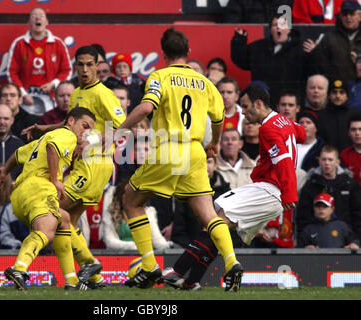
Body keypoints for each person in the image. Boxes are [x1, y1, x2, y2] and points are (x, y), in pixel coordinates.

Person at [111, 28, 243, 291]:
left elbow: (147, 107)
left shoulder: (159, 76)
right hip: (195, 151)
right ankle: (232, 263)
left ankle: (149, 268)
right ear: (188, 52)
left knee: (131, 199)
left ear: (163, 53)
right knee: (208, 214)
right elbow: (219, 118)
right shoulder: (204, 82)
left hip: (168, 148)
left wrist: (121, 128)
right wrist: (214, 143)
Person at [163, 84, 306, 290]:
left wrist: (289, 194)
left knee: (215, 220)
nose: (243, 112)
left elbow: (282, 160)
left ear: (258, 104)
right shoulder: (285, 122)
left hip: (269, 190)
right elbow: (300, 134)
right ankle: (191, 281)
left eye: (246, 107)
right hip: (270, 193)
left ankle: (178, 269)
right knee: (224, 233)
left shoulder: (268, 127)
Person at [22, 46, 127, 289]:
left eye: (90, 64)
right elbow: (70, 122)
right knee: (65, 223)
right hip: (81, 165)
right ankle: (89, 280)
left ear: (97, 65)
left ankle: (89, 264)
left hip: (95, 165)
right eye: (80, 64)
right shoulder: (78, 92)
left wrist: (91, 140)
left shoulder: (103, 94)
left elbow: (125, 125)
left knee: (54, 208)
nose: (85, 69)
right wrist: (44, 128)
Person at [2, 107, 96, 291]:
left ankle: (72, 281)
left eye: (89, 129)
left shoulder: (41, 140)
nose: (86, 131)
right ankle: (19, 268)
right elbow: (52, 148)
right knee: (46, 230)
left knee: (64, 220)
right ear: (70, 121)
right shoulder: (65, 135)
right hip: (40, 188)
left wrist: (4, 172)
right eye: (84, 126)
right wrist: (54, 179)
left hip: (22, 192)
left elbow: (18, 153)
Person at [231, 13, 311, 106]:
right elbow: (241, 60)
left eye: (282, 25)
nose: (278, 27)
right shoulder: (259, 47)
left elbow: (312, 70)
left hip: (287, 104)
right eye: (274, 25)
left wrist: (315, 52)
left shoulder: (300, 49)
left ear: (289, 29)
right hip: (263, 103)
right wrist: (239, 40)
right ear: (270, 29)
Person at [7, 7, 72, 114]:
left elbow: (67, 70)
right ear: (28, 22)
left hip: (51, 96)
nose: (38, 18)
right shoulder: (19, 44)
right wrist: (23, 94)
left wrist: (54, 84)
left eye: (41, 16)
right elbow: (11, 72)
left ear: (46, 22)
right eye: (33, 16)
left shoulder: (57, 43)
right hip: (27, 96)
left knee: (49, 126)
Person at [296, 145, 361, 239]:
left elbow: (358, 216)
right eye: (324, 159)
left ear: (337, 162)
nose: (327, 163)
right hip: (316, 239)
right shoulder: (310, 185)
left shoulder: (350, 184)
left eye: (330, 160)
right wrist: (305, 242)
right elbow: (302, 217)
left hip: (345, 238)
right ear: (319, 161)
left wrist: (356, 242)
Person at [171, 156, 231, 249]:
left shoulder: (226, 193)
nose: (205, 166)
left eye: (209, 162)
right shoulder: (185, 193)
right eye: (200, 162)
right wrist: (195, 249)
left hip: (224, 251)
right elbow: (179, 233)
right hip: (193, 253)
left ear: (216, 165)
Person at [101, 181, 172, 251]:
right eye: (127, 192)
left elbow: (157, 240)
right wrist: (135, 246)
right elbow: (110, 242)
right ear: (121, 195)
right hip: (118, 258)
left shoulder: (149, 212)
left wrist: (168, 246)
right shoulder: (110, 214)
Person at [313, 0, 361, 85]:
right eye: (345, 14)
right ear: (340, 16)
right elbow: (319, 65)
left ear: (359, 16)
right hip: (337, 89)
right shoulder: (329, 38)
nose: (348, 17)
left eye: (352, 14)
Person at [317, 79, 360, 152]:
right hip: (327, 159)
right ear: (329, 96)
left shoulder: (356, 115)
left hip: (350, 158)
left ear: (347, 96)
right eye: (334, 92)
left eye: (341, 92)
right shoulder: (320, 116)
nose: (338, 96)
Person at [340, 113, 361, 184]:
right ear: (349, 132)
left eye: (360, 129)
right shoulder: (344, 155)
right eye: (353, 130)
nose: (357, 133)